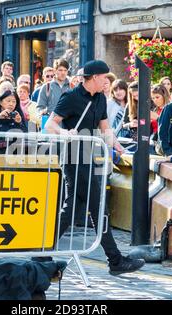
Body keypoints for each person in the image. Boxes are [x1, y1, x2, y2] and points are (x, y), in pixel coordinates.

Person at [45, 59, 145, 275]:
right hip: (72, 156)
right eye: (104, 78)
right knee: (97, 206)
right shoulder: (70, 97)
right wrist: (65, 133)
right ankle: (115, 260)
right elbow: (50, 125)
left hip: (88, 156)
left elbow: (105, 129)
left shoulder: (100, 99)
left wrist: (118, 147)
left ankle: (41, 248)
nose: (107, 82)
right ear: (93, 78)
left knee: (72, 207)